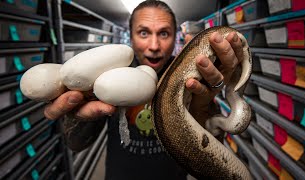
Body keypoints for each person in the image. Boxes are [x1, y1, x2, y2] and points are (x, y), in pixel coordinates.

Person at [44, 1, 244, 179]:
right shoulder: (111, 76)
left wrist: (205, 105)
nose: (154, 45)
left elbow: (214, 154)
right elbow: (76, 144)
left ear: (176, 38)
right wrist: (76, 115)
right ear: (130, 37)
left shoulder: (192, 80)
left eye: (164, 33)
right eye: (143, 33)